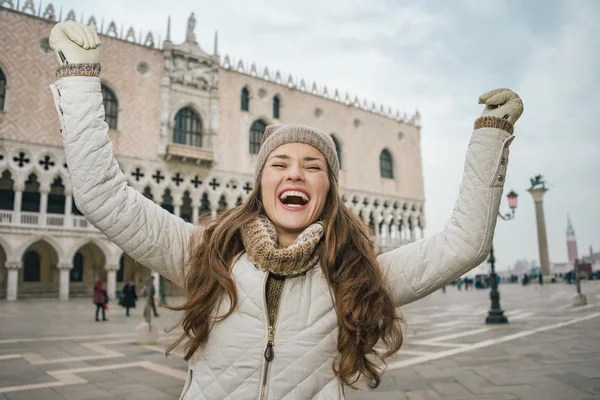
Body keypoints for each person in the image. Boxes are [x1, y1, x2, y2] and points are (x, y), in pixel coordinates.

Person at [48, 21, 523, 400]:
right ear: (261, 184)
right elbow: (103, 197)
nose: (295, 174)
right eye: (280, 163)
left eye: (313, 166)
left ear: (329, 191)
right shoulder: (205, 254)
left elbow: (465, 244)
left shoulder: (354, 276)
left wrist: (491, 135)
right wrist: (79, 80)